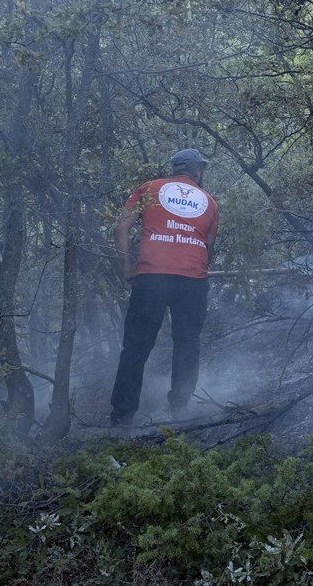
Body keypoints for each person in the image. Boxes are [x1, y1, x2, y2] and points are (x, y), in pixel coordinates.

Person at [109, 148, 219, 425]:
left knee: (135, 347)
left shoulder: (148, 189)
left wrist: (127, 269)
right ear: (197, 171)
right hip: (193, 280)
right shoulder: (210, 203)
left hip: (152, 278)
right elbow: (208, 248)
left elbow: (120, 228)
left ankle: (122, 419)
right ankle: (180, 410)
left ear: (174, 169)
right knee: (187, 343)